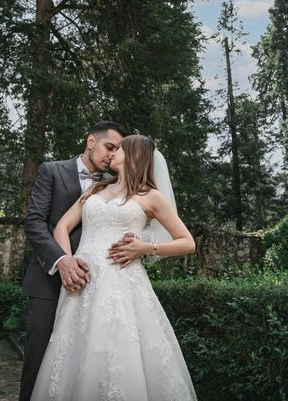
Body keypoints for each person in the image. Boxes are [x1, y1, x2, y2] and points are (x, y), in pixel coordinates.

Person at [30, 134, 197, 401]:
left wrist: (146, 248)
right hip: (82, 283)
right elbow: (63, 226)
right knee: (74, 354)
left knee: (117, 353)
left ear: (134, 155)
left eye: (119, 149)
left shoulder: (151, 197)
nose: (112, 152)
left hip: (121, 283)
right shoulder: (95, 190)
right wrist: (68, 262)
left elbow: (187, 242)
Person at [19, 121, 126, 401]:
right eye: (109, 147)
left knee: (82, 366)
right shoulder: (52, 170)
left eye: (117, 151)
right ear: (91, 141)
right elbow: (34, 222)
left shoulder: (114, 183)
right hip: (48, 283)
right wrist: (62, 260)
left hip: (93, 288)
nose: (112, 155)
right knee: (38, 363)